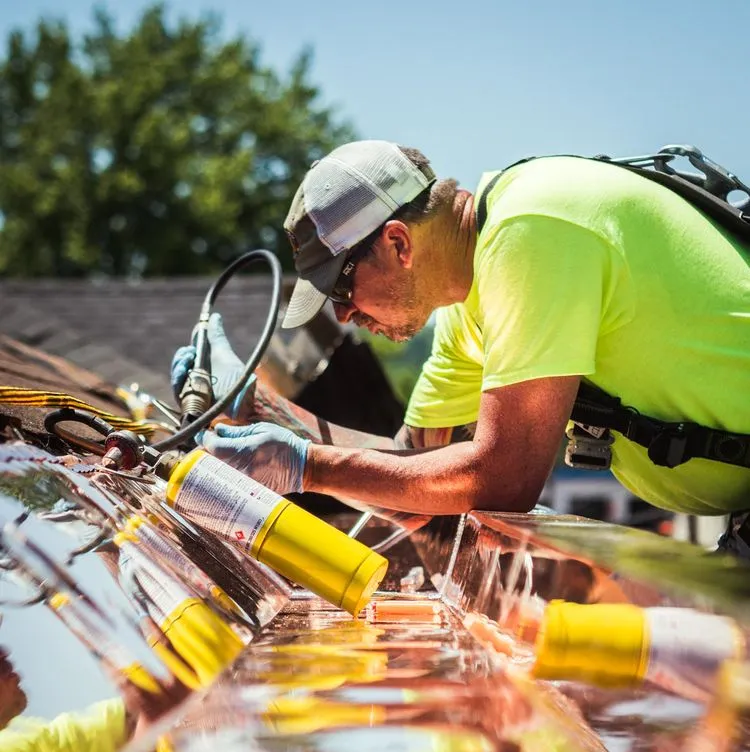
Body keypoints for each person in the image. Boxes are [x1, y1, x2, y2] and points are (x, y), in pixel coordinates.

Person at [171, 140, 750, 544]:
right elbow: (411, 478)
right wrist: (257, 411)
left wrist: (306, 467)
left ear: (398, 244)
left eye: (342, 288)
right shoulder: (465, 309)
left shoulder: (532, 231)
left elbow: (503, 479)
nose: (344, 315)